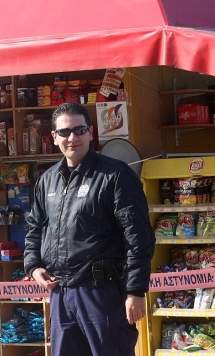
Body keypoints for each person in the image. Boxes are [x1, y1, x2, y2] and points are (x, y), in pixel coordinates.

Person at [24, 102, 156, 356]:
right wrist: (34, 266)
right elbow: (35, 228)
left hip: (103, 294)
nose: (72, 138)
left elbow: (138, 237)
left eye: (79, 130)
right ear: (54, 137)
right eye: (64, 132)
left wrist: (136, 291)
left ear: (90, 132)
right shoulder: (47, 180)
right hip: (61, 293)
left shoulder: (115, 175)